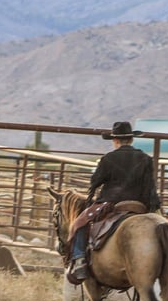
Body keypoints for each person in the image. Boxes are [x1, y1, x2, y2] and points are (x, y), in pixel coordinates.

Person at [67, 120, 161, 285]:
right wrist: (152, 207)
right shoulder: (145, 159)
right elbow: (150, 187)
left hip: (111, 203)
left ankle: (80, 260)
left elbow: (95, 182)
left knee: (79, 224)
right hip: (140, 204)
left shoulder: (108, 158)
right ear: (131, 140)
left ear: (115, 140)